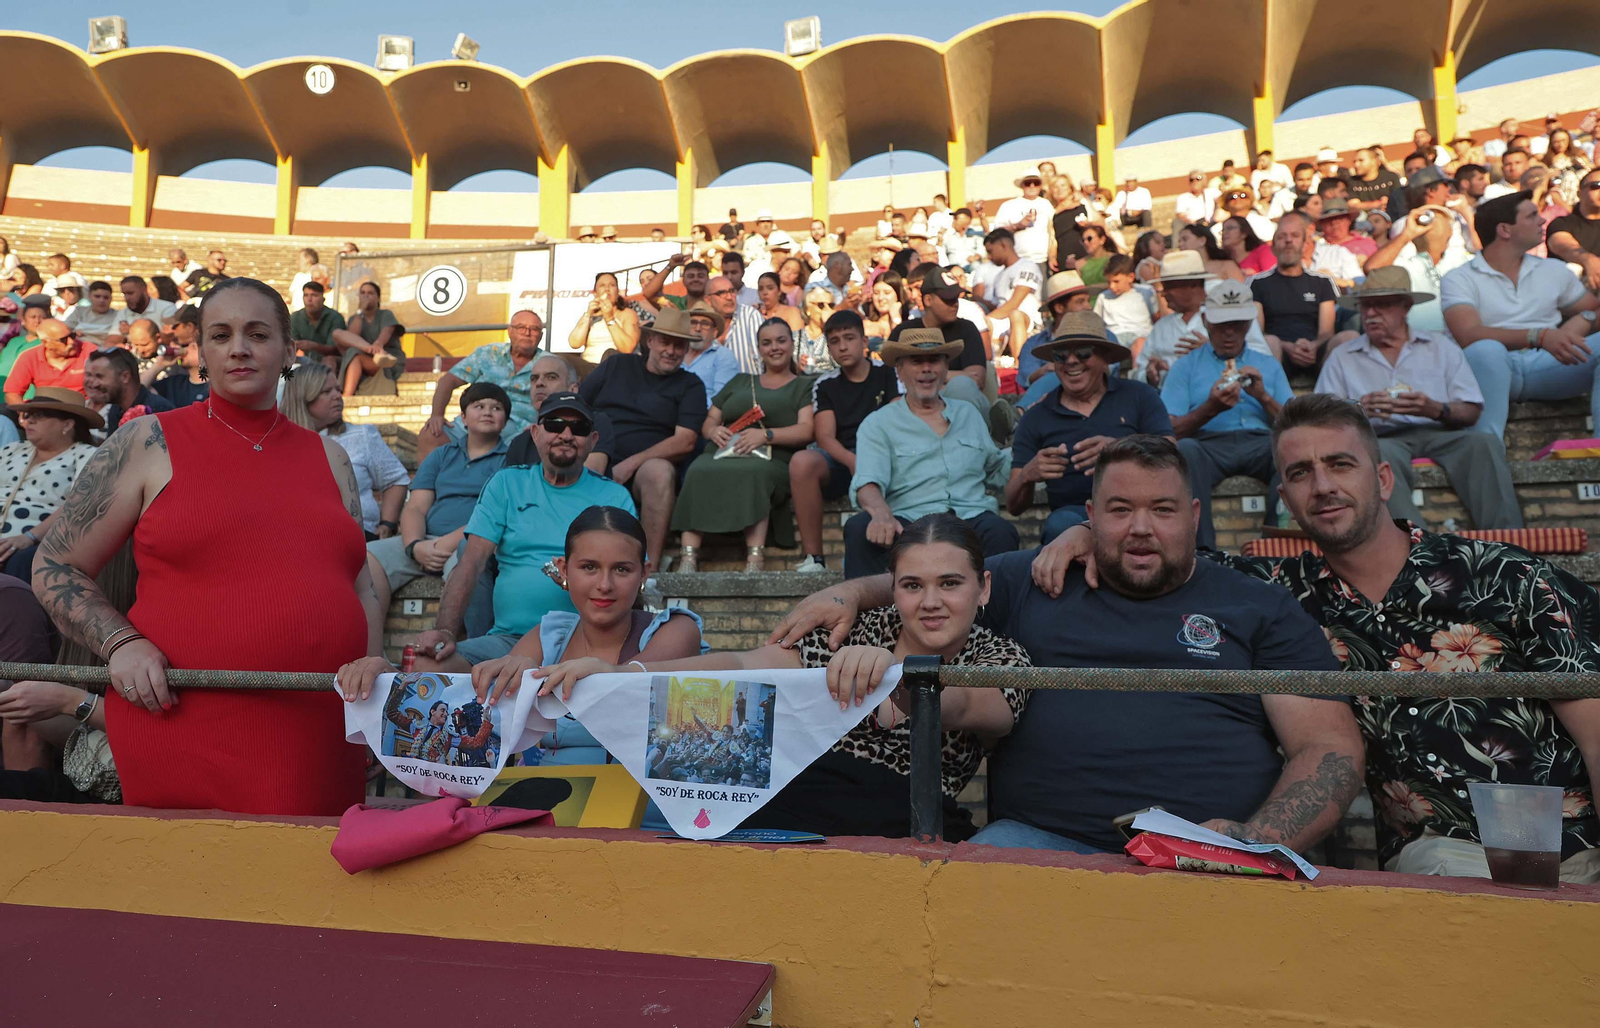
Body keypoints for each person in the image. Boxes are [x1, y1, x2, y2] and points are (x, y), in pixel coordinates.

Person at [1039, 395, 1600, 881]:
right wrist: (1086, 531)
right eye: (1302, 472)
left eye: (1340, 464)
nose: (1324, 486)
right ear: (1284, 495)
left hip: (1568, 856)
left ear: (1382, 478)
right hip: (1428, 865)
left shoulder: (1503, 575)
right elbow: (1161, 546)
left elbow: (1596, 730)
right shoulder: (1281, 595)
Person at [776, 436, 1362, 854]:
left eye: (1161, 510)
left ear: (1193, 516)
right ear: (1089, 516)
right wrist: (852, 592)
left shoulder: (1256, 605)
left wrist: (1256, 845)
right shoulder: (1034, 577)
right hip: (1035, 844)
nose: (1140, 528)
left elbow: (1327, 747)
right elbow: (941, 577)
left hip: (1210, 849)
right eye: (1119, 510)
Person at [30, 277, 383, 815]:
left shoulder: (331, 459)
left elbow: (359, 582)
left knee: (314, 888)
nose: (239, 347)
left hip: (320, 727)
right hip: (182, 719)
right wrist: (121, 643)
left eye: (257, 334)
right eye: (221, 335)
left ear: (289, 352)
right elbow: (56, 564)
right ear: (201, 352)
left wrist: (373, 671)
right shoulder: (146, 441)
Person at [534, 513, 1030, 840]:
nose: (930, 602)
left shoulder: (1002, 657)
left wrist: (901, 682)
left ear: (983, 588)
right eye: (912, 585)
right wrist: (624, 674)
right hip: (796, 793)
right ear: (892, 590)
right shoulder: (853, 629)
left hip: (899, 814)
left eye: (950, 584)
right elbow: (748, 664)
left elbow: (973, 706)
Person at [408, 392, 635, 671]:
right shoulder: (507, 483)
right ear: (536, 433)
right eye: (554, 425)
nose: (566, 434)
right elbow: (471, 563)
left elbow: (625, 574)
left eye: (578, 428)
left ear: (593, 440)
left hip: (587, 641)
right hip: (509, 641)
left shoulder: (614, 495)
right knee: (428, 666)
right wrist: (445, 631)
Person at [1316, 268, 1522, 530]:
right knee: (1379, 453)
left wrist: (1435, 409)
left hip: (1440, 432)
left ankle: (1509, 542)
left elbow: (1471, 411)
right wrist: (1358, 411)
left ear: (1406, 307)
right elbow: (1324, 420)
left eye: (1381, 306)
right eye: (1365, 306)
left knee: (1482, 442)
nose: (1369, 314)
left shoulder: (1440, 347)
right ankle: (1415, 547)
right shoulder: (1343, 356)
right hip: (1379, 437)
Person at [844, 329, 1016, 578]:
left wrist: (1027, 461)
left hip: (969, 517)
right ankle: (872, 616)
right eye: (916, 361)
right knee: (860, 528)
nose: (926, 368)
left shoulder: (968, 414)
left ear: (945, 368)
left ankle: (993, 616)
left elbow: (996, 469)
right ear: (900, 371)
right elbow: (868, 481)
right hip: (909, 520)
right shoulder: (878, 423)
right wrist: (881, 513)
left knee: (1001, 532)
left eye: (934, 360)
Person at [1441, 192, 1600, 440]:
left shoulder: (1553, 270)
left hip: (1550, 364)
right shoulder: (1459, 277)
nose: (1542, 221)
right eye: (1532, 216)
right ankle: (1488, 450)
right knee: (1485, 350)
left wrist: (1586, 318)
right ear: (1505, 230)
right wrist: (1539, 336)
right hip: (1491, 368)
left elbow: (1594, 308)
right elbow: (1468, 334)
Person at [1007, 311, 1170, 543]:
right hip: (1074, 517)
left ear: (1105, 358)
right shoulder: (1036, 417)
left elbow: (1173, 456)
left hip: (1140, 506)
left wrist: (1122, 450)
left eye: (1083, 353)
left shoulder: (1139, 395)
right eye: (1061, 355)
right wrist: (1027, 475)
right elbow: (1013, 506)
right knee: (1061, 527)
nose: (1071, 361)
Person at [670, 319, 815, 573]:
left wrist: (766, 435)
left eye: (781, 340)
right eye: (766, 343)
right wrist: (714, 431)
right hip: (724, 452)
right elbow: (710, 420)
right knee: (697, 470)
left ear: (792, 344)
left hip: (773, 457)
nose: (774, 348)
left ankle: (755, 559)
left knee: (754, 473)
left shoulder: (804, 385)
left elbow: (806, 429)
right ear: (759, 349)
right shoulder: (739, 381)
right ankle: (688, 557)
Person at [1163, 280, 1294, 550]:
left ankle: (1275, 549)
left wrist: (1264, 398)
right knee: (1185, 450)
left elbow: (1296, 424)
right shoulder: (1185, 366)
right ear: (1206, 321)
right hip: (1208, 445)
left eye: (1238, 324)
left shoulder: (1267, 364)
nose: (1230, 332)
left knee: (1291, 448)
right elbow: (1168, 431)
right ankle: (1202, 553)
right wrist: (1211, 408)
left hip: (1260, 442)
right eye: (1222, 324)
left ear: (1249, 324)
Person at [579, 308, 708, 575]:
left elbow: (685, 441)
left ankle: (647, 570)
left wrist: (630, 464)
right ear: (650, 341)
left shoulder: (690, 384)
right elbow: (579, 406)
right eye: (665, 341)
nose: (671, 350)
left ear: (686, 350)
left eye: (679, 344)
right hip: (597, 451)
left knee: (659, 472)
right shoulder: (617, 365)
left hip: (645, 466)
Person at [365, 382, 510, 617]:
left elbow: (494, 517)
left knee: (468, 572)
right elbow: (415, 507)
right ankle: (372, 649)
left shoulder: (509, 460)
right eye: (479, 406)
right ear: (463, 418)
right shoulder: (442, 455)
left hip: (472, 546)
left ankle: (447, 645)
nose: (487, 412)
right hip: (425, 541)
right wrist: (415, 546)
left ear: (505, 420)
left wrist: (443, 545)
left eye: (496, 408)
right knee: (368, 558)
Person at [789, 310, 899, 574]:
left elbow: (898, 422)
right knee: (802, 462)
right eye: (835, 341)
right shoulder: (825, 384)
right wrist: (853, 461)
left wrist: (870, 462)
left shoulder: (889, 374)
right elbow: (825, 436)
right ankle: (814, 557)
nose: (842, 346)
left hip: (887, 455)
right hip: (843, 459)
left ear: (864, 341)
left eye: (849, 338)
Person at [281, 363, 409, 541]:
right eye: (326, 392)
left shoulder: (361, 435)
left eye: (338, 390)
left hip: (359, 537)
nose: (337, 396)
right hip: (299, 537)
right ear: (303, 398)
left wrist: (388, 524)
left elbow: (396, 479)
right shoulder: (280, 442)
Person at [418, 309, 544, 461]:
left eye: (534, 329)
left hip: (520, 430)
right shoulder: (488, 354)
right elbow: (448, 380)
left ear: (541, 335)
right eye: (521, 327)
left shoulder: (549, 364)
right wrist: (436, 415)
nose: (527, 332)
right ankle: (425, 484)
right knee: (431, 434)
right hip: (477, 421)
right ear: (509, 331)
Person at [0, 388, 99, 580]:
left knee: (22, 561)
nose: (30, 420)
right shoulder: (12, 450)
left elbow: (79, 504)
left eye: (41, 415)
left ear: (68, 424)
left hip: (35, 544)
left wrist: (29, 538)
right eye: (29, 415)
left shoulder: (86, 455)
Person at [1136, 250, 1275, 385]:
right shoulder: (1162, 327)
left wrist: (1216, 351)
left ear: (1192, 285)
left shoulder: (1231, 316)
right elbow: (1138, 372)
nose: (1163, 293)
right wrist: (1150, 375)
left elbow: (1263, 358)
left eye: (1168, 287)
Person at [1364, 203, 1475, 342]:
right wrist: (1407, 234)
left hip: (1460, 341)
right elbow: (1372, 269)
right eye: (1426, 217)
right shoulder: (1404, 264)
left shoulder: (1462, 261)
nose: (1430, 220)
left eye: (1438, 217)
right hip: (1416, 344)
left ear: (1450, 231)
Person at [1253, 213, 1338, 371]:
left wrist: (1312, 346)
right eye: (1282, 237)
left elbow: (1327, 332)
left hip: (1315, 350)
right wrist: (1288, 347)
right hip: (1277, 351)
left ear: (1306, 245)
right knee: (1270, 342)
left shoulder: (1322, 282)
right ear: (1272, 248)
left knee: (1348, 338)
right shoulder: (1258, 284)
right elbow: (1258, 332)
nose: (1288, 241)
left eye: (1295, 236)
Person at [503, 354, 614, 474]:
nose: (539, 383)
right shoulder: (522, 441)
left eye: (551, 377)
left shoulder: (593, 422)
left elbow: (591, 476)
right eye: (534, 378)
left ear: (573, 389)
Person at [331, 281, 403, 396]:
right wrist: (361, 311)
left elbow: (387, 331)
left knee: (355, 356)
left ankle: (346, 396)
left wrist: (378, 344)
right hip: (365, 356)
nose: (366, 296)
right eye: (362, 293)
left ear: (378, 298)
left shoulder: (386, 314)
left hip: (385, 359)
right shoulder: (355, 318)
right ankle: (369, 348)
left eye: (370, 293)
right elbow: (351, 337)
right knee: (338, 334)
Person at [82, 347, 173, 436]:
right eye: (88, 375)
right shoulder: (115, 409)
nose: (92, 383)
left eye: (99, 376)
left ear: (125, 377)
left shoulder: (158, 410)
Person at [566, 271, 641, 372]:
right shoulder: (592, 316)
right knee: (560, 360)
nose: (607, 289)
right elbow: (574, 343)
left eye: (612, 285)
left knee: (610, 354)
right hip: (589, 367)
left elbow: (627, 348)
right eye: (602, 286)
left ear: (617, 291)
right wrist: (588, 314)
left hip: (615, 366)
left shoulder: (627, 314)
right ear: (595, 292)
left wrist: (609, 318)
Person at [4, 319, 91, 403]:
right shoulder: (30, 357)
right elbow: (12, 392)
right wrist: (23, 415)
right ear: (46, 342)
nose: (71, 342)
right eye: (64, 340)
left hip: (81, 409)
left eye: (72, 336)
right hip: (45, 410)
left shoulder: (88, 351)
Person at [142, 307, 209, 408]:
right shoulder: (174, 384)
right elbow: (135, 393)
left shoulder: (217, 389)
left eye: (193, 347)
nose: (186, 350)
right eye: (186, 346)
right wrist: (158, 365)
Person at [1091, 255, 1158, 355]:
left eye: (1116, 281)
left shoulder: (1145, 292)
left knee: (1140, 345)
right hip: (1115, 336)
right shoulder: (1104, 297)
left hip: (1141, 335)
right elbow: (1096, 323)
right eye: (1108, 282)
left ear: (1131, 277)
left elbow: (1156, 317)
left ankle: (1138, 370)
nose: (1112, 286)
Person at [1547, 166, 1600, 291]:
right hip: (1571, 293)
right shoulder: (1562, 223)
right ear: (1579, 193)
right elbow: (1563, 245)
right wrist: (1588, 260)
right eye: (1596, 185)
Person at [705, 273, 765, 373]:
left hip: (748, 386)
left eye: (732, 291)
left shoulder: (750, 316)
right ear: (708, 300)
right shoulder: (702, 324)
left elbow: (761, 359)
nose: (729, 297)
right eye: (722, 293)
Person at [996, 167, 1054, 265]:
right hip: (1017, 260)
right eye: (1028, 183)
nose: (1032, 186)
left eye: (1036, 183)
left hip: (1042, 260)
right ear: (1022, 185)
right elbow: (997, 232)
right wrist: (1017, 226)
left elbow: (1053, 231)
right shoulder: (1009, 205)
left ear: (1040, 186)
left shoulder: (1047, 204)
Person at [289, 281, 347, 371]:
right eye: (306, 295)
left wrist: (314, 346)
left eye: (314, 295)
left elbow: (335, 349)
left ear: (323, 299)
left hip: (333, 360)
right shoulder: (295, 317)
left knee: (329, 361)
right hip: (306, 360)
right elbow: (290, 345)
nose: (309, 299)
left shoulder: (335, 317)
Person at [1176, 222, 1245, 282]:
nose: (1180, 244)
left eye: (1185, 239)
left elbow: (1241, 291)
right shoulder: (1179, 271)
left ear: (1202, 241)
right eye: (1179, 241)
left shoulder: (1226, 265)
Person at [63, 280, 119, 345]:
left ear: (111, 299)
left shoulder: (118, 316)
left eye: (105, 297)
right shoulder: (79, 312)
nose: (101, 300)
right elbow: (64, 330)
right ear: (89, 297)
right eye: (97, 296)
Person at [1173, 170, 1218, 235]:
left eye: (1198, 178)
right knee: (1177, 223)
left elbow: (1223, 200)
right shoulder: (1183, 197)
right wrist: (1193, 223)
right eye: (1192, 180)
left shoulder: (1212, 192)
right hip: (1192, 226)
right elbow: (1180, 214)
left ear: (1204, 181)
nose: (1195, 182)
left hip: (1212, 224)